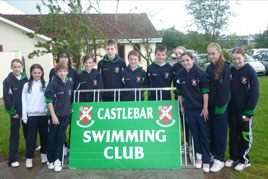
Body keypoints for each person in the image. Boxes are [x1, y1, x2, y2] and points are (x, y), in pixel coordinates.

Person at [225, 48, 259, 171]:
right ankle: (234, 156)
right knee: (233, 134)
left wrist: (249, 112)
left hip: (245, 111)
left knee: (245, 135)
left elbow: (254, 93)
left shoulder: (250, 71)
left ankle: (245, 159)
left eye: (239, 58)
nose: (236, 61)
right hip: (233, 110)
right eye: (234, 59)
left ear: (243, 57)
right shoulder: (231, 70)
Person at [176, 52, 210, 172]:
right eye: (183, 61)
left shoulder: (200, 73)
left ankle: (206, 159)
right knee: (195, 134)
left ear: (193, 60)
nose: (185, 63)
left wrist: (205, 108)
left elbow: (205, 91)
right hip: (188, 109)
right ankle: (198, 156)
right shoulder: (180, 74)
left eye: (187, 60)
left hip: (201, 109)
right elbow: (179, 93)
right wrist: (182, 106)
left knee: (204, 135)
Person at [206, 43, 231, 172]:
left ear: (220, 53)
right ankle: (213, 154)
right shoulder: (209, 68)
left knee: (220, 133)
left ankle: (219, 159)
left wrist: (220, 108)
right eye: (209, 54)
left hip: (220, 107)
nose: (211, 56)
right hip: (210, 106)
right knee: (212, 132)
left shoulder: (226, 68)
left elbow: (225, 90)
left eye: (213, 53)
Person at [45, 62, 74, 172]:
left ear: (67, 72)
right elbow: (49, 101)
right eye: (60, 71)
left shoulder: (69, 82)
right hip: (55, 116)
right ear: (56, 72)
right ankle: (50, 159)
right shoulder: (53, 84)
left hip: (65, 115)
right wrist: (53, 115)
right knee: (52, 137)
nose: (62, 73)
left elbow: (67, 98)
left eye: (64, 71)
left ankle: (57, 160)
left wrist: (69, 107)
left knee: (61, 138)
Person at [49, 50, 78, 155]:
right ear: (58, 58)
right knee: (60, 128)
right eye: (61, 57)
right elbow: (51, 89)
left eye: (66, 57)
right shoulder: (53, 71)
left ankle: (71, 144)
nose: (64, 59)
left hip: (70, 103)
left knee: (71, 125)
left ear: (69, 58)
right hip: (59, 105)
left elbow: (75, 88)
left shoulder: (74, 71)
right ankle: (63, 145)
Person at [22, 64, 48, 168]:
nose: (37, 74)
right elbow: (23, 101)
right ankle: (29, 158)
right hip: (31, 116)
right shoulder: (26, 85)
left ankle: (43, 154)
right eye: (34, 73)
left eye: (39, 73)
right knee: (31, 138)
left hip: (43, 115)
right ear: (31, 73)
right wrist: (24, 116)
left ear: (42, 73)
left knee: (44, 137)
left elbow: (49, 100)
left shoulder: (46, 84)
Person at [3, 59, 28, 168]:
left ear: (21, 67)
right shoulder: (8, 81)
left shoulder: (25, 78)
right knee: (15, 134)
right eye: (15, 67)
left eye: (19, 66)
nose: (17, 69)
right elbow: (7, 98)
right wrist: (12, 112)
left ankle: (31, 149)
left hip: (26, 110)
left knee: (28, 131)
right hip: (15, 112)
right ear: (11, 68)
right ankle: (12, 158)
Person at [172, 46, 190, 151]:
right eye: (176, 54)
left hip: (190, 98)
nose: (178, 56)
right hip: (179, 97)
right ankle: (187, 141)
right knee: (183, 120)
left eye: (180, 53)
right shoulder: (174, 67)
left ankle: (193, 142)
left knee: (190, 120)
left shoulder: (190, 65)